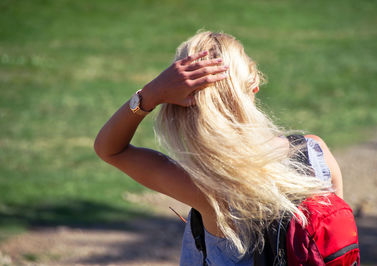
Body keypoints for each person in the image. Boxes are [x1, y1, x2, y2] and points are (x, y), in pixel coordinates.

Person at [94, 31, 344, 265]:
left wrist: (151, 93)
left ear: (182, 104)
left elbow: (110, 149)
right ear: (254, 83)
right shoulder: (315, 151)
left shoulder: (208, 187)